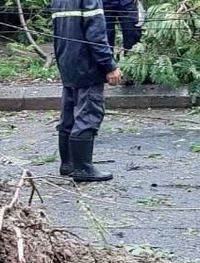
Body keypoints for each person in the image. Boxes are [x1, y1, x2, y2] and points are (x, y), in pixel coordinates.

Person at [52, 0, 121, 182]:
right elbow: (96, 35)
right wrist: (109, 65)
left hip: (67, 60)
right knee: (88, 113)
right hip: (86, 63)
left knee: (69, 112)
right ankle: (82, 168)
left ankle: (68, 163)